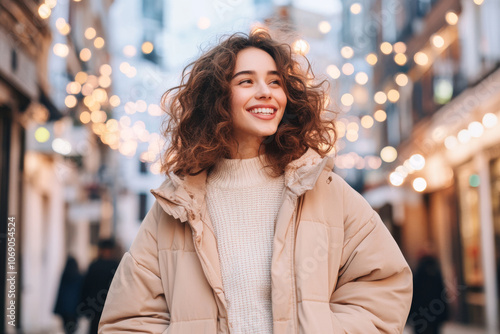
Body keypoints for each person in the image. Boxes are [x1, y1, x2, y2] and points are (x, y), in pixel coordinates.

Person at [99, 30, 412, 333]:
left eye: (275, 81)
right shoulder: (176, 208)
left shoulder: (327, 192)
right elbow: (129, 320)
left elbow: (383, 285)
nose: (266, 91)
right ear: (217, 97)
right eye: (246, 81)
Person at [80, 239, 119, 334]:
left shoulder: (94, 265)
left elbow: (85, 287)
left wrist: (85, 306)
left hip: (96, 307)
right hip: (109, 308)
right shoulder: (116, 265)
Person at [409, 252, 449, 334]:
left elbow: (413, 295)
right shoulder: (436, 273)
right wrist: (444, 314)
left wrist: (411, 315)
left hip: (420, 314)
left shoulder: (418, 273)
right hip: (435, 312)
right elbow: (442, 294)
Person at [54, 256, 83, 334]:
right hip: (75, 308)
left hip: (65, 309)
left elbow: (60, 292)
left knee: (67, 328)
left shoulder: (64, 276)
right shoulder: (79, 277)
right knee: (73, 327)